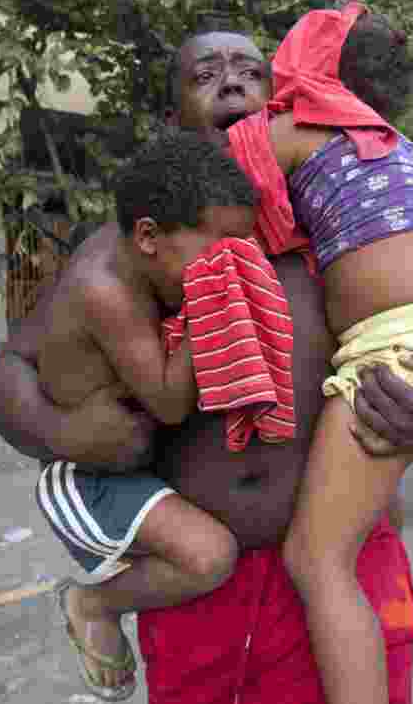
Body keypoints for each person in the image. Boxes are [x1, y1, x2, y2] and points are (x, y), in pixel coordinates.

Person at [0, 29, 413, 704]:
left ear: (283, 102)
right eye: (205, 74)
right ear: (175, 123)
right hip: (200, 586)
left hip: (345, 558)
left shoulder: (351, 217)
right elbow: (4, 374)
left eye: (251, 71)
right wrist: (60, 431)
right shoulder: (137, 246)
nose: (231, 83)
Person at [37, 130, 261, 699]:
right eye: (223, 248)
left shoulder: (144, 267)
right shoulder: (106, 291)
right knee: (209, 556)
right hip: (88, 479)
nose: (235, 262)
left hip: (126, 467)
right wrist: (208, 304)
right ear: (147, 237)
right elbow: (167, 400)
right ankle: (91, 602)